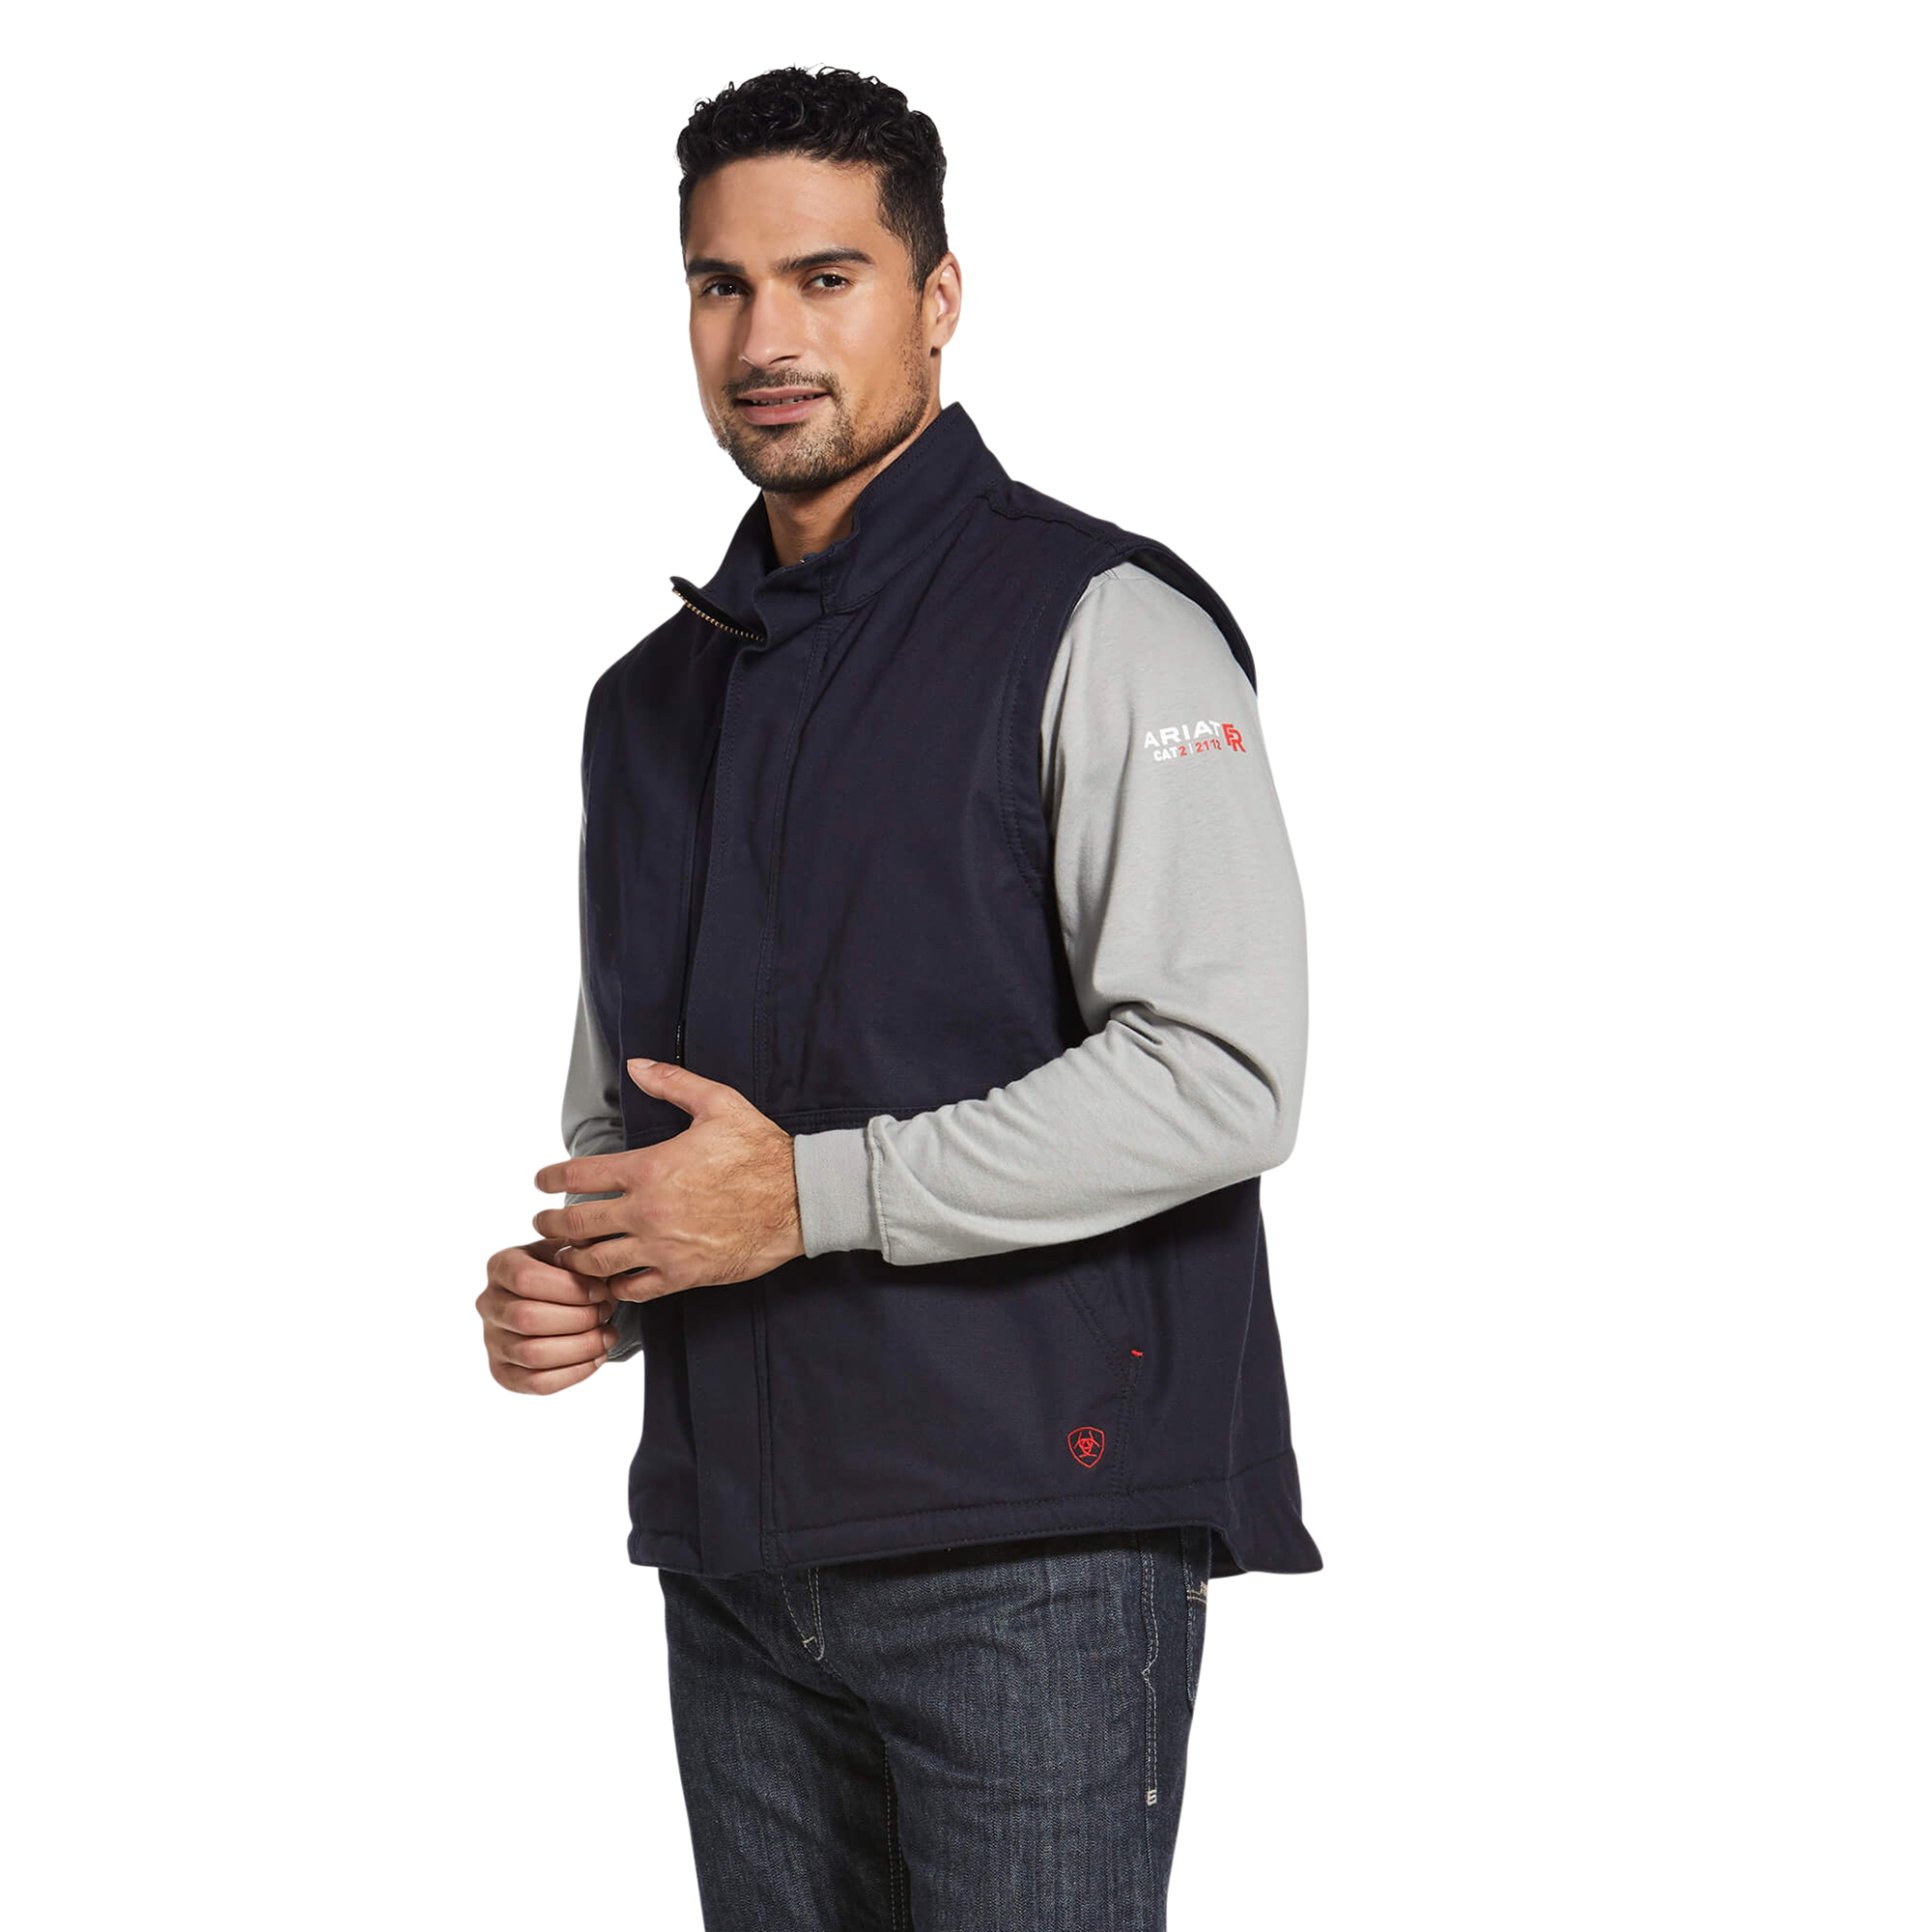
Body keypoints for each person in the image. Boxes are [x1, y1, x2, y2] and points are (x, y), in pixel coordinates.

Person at [474, 65, 1321, 1931]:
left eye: (826, 278)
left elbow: (1221, 1071)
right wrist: (593, 1281)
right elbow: (640, 1122)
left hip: (1031, 1550)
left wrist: (804, 1195)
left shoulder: (1102, 621)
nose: (765, 338)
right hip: (737, 1557)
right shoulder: (648, 705)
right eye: (720, 285)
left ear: (938, 298)